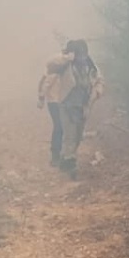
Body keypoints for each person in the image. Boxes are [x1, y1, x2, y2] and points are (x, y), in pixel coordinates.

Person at [37, 39, 103, 178]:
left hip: (83, 106)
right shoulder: (65, 66)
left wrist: (97, 92)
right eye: (79, 54)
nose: (82, 58)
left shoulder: (91, 67)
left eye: (84, 54)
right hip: (67, 105)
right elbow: (50, 65)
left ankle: (64, 158)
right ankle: (70, 164)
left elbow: (99, 80)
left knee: (78, 136)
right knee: (69, 135)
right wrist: (67, 57)